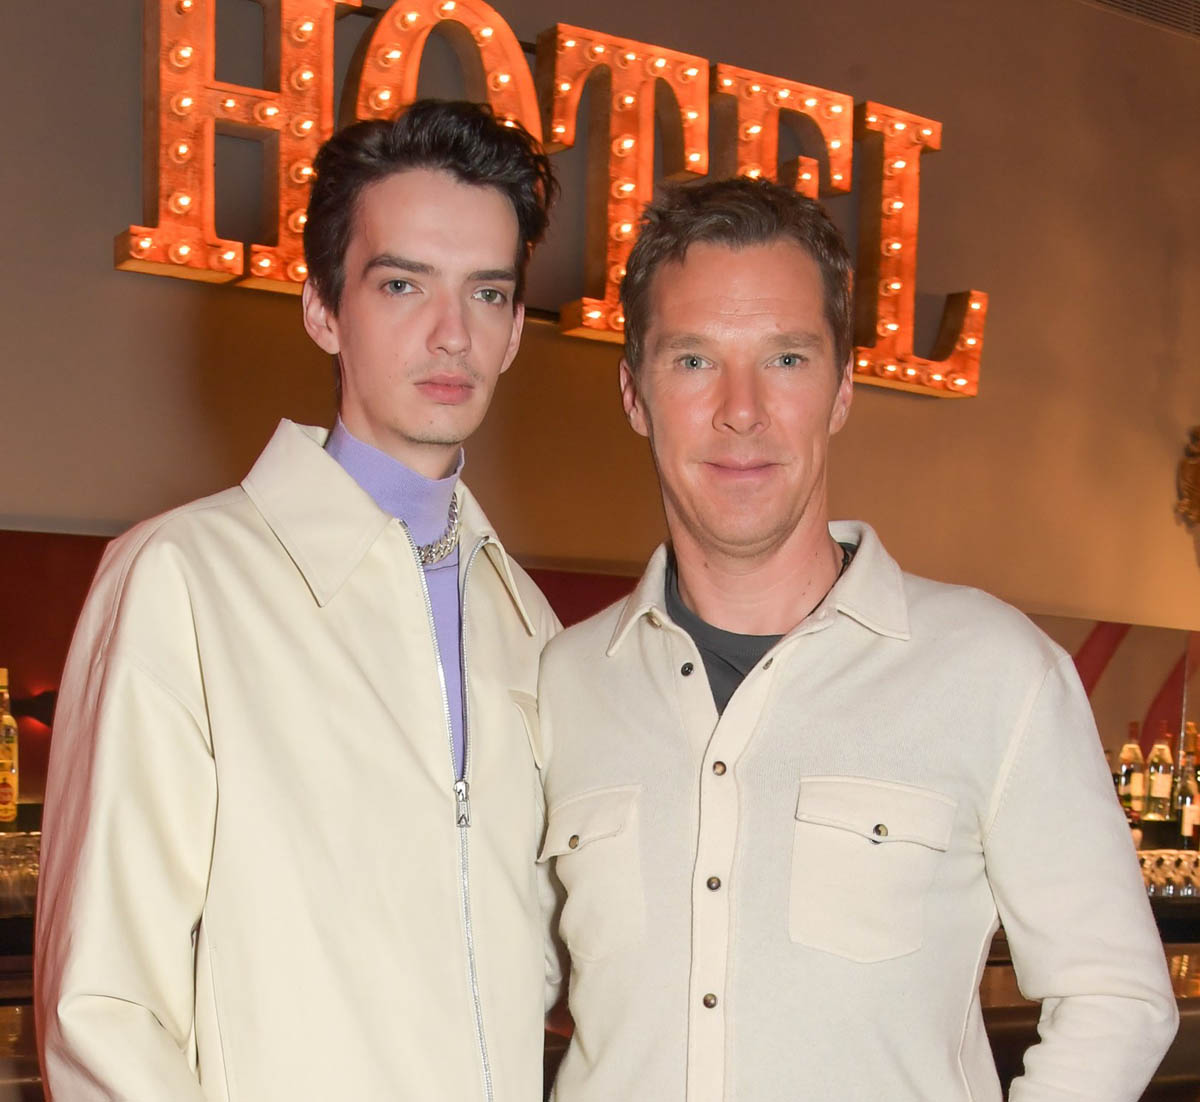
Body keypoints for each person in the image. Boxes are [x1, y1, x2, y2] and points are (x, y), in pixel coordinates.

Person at [536, 177, 1178, 1101]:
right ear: (636, 393)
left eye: (787, 359)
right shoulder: (561, 682)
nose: (742, 409)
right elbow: (500, 982)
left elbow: (1116, 995)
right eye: (694, 360)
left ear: (841, 390)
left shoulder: (995, 672)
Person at [37, 100, 560, 1101]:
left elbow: (521, 967)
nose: (452, 334)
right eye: (402, 284)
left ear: (512, 334)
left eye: (487, 294)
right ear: (323, 308)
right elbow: (103, 1010)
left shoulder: (528, 624)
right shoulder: (183, 580)